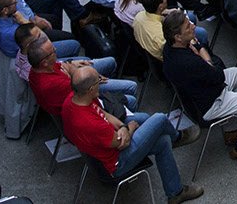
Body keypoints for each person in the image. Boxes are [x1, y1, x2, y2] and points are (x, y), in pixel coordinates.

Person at [61, 65, 203, 203]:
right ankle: (177, 138)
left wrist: (123, 126)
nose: (100, 82)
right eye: (98, 80)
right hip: (116, 162)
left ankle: (175, 193)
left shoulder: (74, 99)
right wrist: (130, 128)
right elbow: (123, 144)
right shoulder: (90, 124)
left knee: (163, 140)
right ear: (91, 89)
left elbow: (103, 113)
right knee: (159, 119)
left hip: (107, 145)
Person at [161, 11, 237, 158]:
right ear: (178, 37)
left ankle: (231, 130)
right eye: (188, 27)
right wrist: (203, 55)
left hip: (195, 97)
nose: (193, 26)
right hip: (211, 103)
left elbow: (209, 70)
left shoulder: (169, 50)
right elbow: (217, 75)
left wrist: (198, 51)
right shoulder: (189, 62)